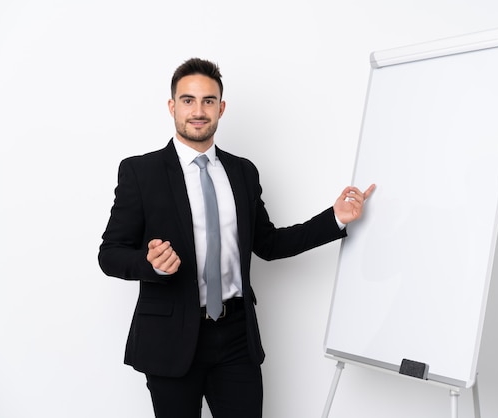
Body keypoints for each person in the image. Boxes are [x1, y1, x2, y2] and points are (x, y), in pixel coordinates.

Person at [98, 57, 374, 418]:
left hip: (235, 337)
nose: (198, 111)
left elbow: (270, 244)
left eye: (208, 101)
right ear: (172, 106)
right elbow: (110, 253)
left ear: (221, 108)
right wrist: (148, 264)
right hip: (171, 337)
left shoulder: (242, 172)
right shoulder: (140, 171)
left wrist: (336, 218)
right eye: (188, 100)